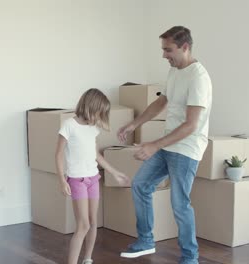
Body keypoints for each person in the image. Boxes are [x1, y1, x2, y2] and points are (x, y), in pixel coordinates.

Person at [117, 26, 212, 264]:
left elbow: (191, 125)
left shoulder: (198, 78)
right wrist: (133, 124)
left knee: (180, 204)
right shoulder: (175, 70)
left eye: (168, 50)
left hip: (187, 148)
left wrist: (154, 145)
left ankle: (191, 257)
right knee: (141, 184)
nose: (164, 55)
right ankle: (146, 240)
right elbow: (161, 103)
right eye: (163, 49)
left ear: (185, 47)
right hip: (169, 145)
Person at [55, 88, 130, 264]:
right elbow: (58, 154)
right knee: (83, 225)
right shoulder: (69, 125)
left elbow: (96, 155)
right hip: (77, 180)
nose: (100, 116)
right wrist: (61, 180)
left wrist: (115, 172)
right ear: (91, 107)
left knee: (93, 222)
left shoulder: (93, 128)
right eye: (99, 112)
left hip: (93, 179)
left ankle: (88, 259)